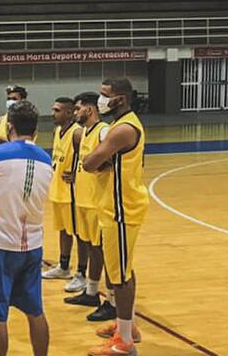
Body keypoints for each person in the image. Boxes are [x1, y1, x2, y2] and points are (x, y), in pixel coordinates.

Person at [0, 100, 51, 356]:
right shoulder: (46, 159)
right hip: (33, 245)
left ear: (9, 126)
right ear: (35, 130)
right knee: (35, 310)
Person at [82, 78, 148, 356]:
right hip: (113, 206)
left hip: (121, 209)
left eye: (104, 95)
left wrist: (98, 160)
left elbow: (89, 163)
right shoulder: (120, 125)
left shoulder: (123, 129)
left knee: (119, 277)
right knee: (122, 270)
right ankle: (127, 326)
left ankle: (125, 343)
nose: (101, 99)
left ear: (120, 99)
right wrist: (102, 160)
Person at [64, 92, 116, 322]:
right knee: (92, 248)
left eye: (78, 108)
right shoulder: (83, 132)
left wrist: (98, 166)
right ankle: (92, 292)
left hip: (98, 202)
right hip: (83, 199)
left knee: (102, 250)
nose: (75, 112)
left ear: (89, 109)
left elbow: (113, 158)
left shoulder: (104, 131)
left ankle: (112, 300)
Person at [42, 97, 87, 292]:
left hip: (73, 192)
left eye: (57, 110)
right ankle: (64, 266)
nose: (53, 113)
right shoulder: (58, 131)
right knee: (64, 230)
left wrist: (77, 173)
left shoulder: (77, 133)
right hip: (58, 189)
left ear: (69, 113)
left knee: (80, 234)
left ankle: (82, 274)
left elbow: (89, 156)